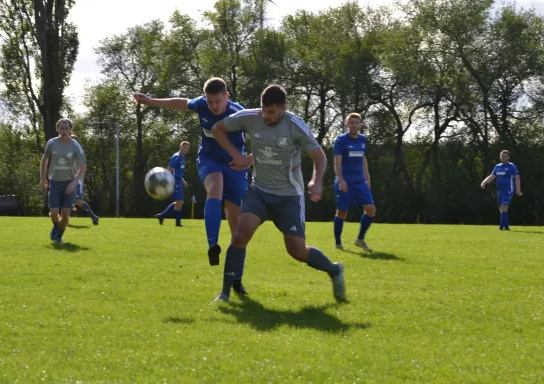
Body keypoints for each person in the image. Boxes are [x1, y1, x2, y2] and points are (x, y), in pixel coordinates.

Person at [211, 84, 345, 303]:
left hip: (289, 196)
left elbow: (319, 157)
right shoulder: (250, 117)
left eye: (271, 112)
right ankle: (225, 294)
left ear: (283, 108)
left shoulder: (295, 126)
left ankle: (334, 270)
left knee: (297, 251)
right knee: (240, 235)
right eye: (264, 110)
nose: (266, 115)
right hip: (259, 192)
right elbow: (218, 128)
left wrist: (316, 181)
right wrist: (239, 156)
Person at [133, 77, 249, 295]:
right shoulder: (201, 105)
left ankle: (237, 280)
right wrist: (151, 101)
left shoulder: (240, 113)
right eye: (210, 101)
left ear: (227, 96)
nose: (214, 106)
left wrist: (248, 160)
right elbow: (180, 103)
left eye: (218, 101)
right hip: (209, 160)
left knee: (238, 228)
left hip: (236, 166)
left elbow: (262, 137)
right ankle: (212, 244)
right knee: (215, 188)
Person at [332, 113, 375, 252]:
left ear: (360, 125)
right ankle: (338, 244)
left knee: (370, 210)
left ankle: (360, 239)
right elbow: (337, 162)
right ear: (347, 125)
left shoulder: (363, 140)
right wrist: (341, 180)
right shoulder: (340, 140)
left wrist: (367, 177)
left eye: (357, 123)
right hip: (345, 181)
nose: (354, 125)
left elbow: (363, 160)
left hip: (360, 182)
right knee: (342, 213)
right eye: (351, 123)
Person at [40, 118, 86, 244]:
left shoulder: (75, 145)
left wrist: (74, 182)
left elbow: (83, 168)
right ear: (57, 129)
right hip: (54, 182)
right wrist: (42, 177)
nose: (64, 131)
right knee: (54, 213)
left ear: (71, 130)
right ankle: (57, 227)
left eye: (66, 128)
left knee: (65, 215)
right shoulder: (52, 143)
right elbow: (44, 159)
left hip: (69, 184)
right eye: (61, 128)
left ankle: (58, 236)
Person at [480, 150, 522, 230]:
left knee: (504, 206)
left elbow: (517, 178)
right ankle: (506, 226)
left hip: (508, 189)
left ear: (508, 157)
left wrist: (518, 189)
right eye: (502, 156)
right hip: (499, 190)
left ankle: (501, 226)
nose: (503, 158)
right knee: (501, 208)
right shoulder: (498, 166)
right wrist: (484, 182)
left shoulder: (512, 166)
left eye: (505, 156)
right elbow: (492, 176)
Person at [155, 141, 191, 227]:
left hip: (178, 181)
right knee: (179, 202)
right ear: (180, 147)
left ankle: (162, 216)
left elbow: (178, 172)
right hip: (174, 182)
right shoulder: (176, 157)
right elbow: (170, 169)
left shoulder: (182, 158)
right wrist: (165, 180)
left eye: (187, 148)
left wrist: (183, 181)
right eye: (184, 147)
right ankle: (177, 224)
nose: (186, 149)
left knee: (179, 202)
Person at [69, 135, 99, 226]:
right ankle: (63, 218)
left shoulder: (78, 154)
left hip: (77, 182)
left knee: (78, 201)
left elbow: (81, 168)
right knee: (70, 200)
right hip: (69, 181)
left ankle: (94, 217)